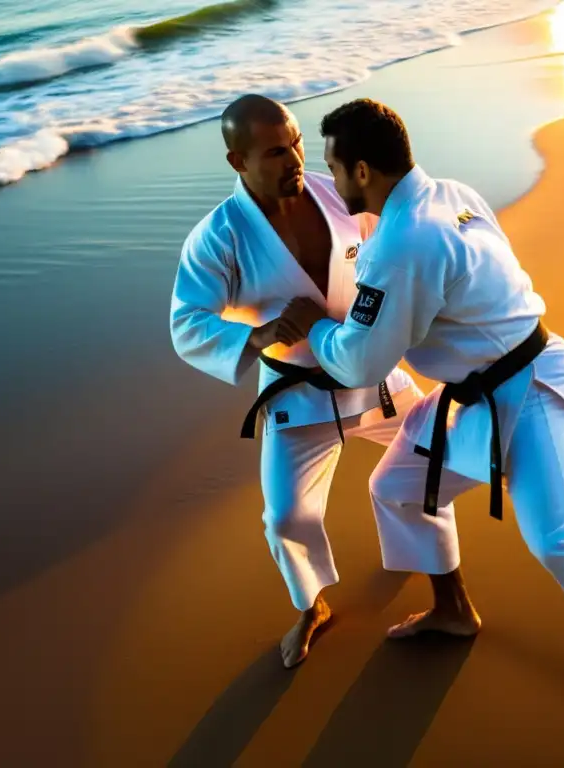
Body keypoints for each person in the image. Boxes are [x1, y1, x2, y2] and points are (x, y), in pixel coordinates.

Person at [279, 98, 564, 732]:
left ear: (365, 171)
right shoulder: (450, 194)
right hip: (479, 391)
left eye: (334, 168)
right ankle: (453, 607)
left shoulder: (401, 245)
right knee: (397, 486)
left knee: (559, 537)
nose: (332, 181)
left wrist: (318, 326)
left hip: (531, 388)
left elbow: (360, 364)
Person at [169, 94, 467, 668]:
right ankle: (311, 607)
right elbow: (186, 322)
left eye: (299, 143)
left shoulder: (338, 195)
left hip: (374, 377)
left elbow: (404, 235)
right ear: (239, 161)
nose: (296, 160)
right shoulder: (219, 237)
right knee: (285, 517)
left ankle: (450, 597)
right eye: (277, 152)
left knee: (427, 464)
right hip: (296, 396)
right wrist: (255, 338)